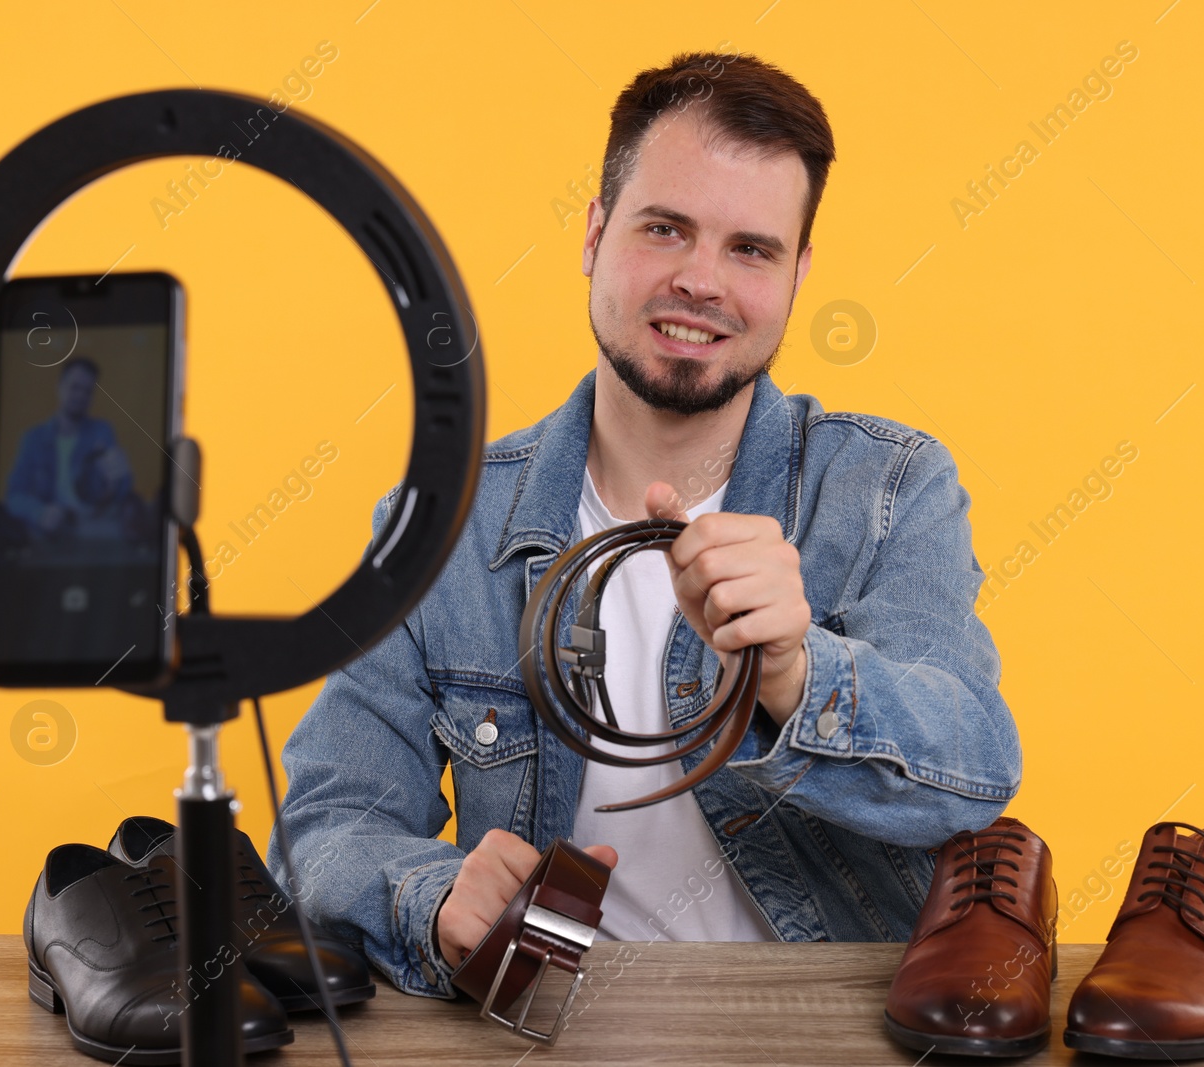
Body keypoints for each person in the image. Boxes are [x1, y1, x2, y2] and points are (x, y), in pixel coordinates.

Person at [270, 50, 1021, 998]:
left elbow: (974, 769)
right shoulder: (444, 529)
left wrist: (796, 673)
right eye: (665, 229)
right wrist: (432, 895)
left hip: (828, 1034)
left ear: (797, 276)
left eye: (751, 248)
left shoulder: (888, 488)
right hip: (546, 1027)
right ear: (593, 235)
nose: (701, 281)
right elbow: (323, 829)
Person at [1, 357, 137, 545]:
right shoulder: (33, 439)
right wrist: (40, 513)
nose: (81, 396)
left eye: (87, 391)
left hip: (95, 527)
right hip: (48, 533)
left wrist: (119, 479)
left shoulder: (103, 431)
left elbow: (123, 490)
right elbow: (13, 496)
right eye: (75, 387)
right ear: (60, 387)